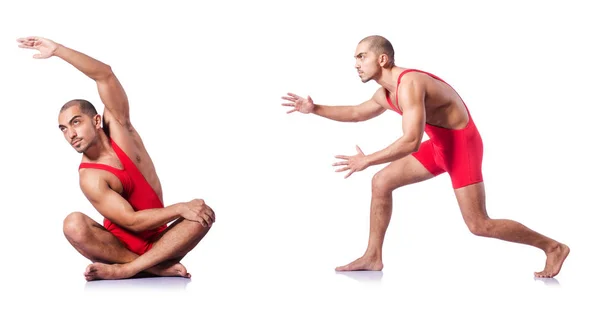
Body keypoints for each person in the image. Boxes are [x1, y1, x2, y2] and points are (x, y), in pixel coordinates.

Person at [281, 35, 569, 278]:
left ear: (382, 59)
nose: (356, 64)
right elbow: (357, 113)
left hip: (461, 147)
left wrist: (367, 159)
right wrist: (314, 108)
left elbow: (410, 141)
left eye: (361, 56)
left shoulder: (410, 85)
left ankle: (552, 247)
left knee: (479, 225)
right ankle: (372, 256)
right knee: (381, 182)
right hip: (439, 146)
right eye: (355, 59)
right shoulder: (386, 93)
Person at [17, 36, 216, 281]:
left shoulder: (121, 127)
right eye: (63, 129)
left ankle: (141, 267)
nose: (71, 134)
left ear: (97, 120)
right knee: (73, 224)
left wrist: (58, 50)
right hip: (117, 247)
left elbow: (104, 75)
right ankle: (137, 266)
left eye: (75, 122)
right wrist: (179, 208)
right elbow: (132, 222)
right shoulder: (89, 176)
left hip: (163, 239)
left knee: (204, 213)